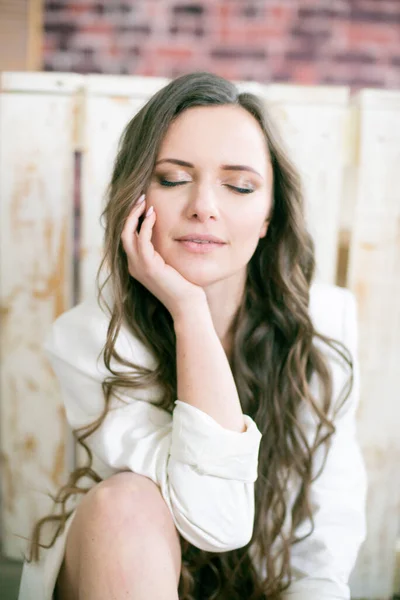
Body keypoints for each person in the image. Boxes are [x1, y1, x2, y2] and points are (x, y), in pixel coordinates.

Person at [18, 71, 367, 600]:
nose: (204, 205)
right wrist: (189, 311)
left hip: (262, 588)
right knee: (125, 504)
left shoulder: (325, 324)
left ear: (269, 213)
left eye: (240, 185)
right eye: (174, 179)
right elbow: (214, 520)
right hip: (131, 574)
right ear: (137, 199)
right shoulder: (88, 340)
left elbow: (325, 549)